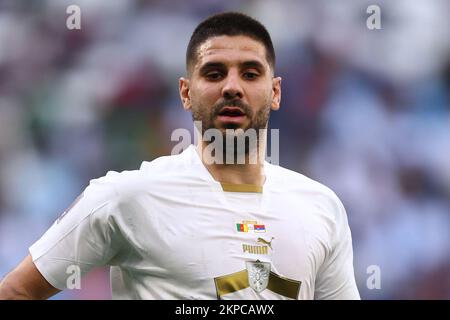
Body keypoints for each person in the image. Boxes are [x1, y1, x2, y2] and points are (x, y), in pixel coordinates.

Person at [0, 12, 360, 300]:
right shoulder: (126, 197)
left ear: (276, 92)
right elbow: (17, 291)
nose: (232, 86)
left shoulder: (321, 207)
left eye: (250, 74)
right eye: (214, 73)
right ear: (186, 93)